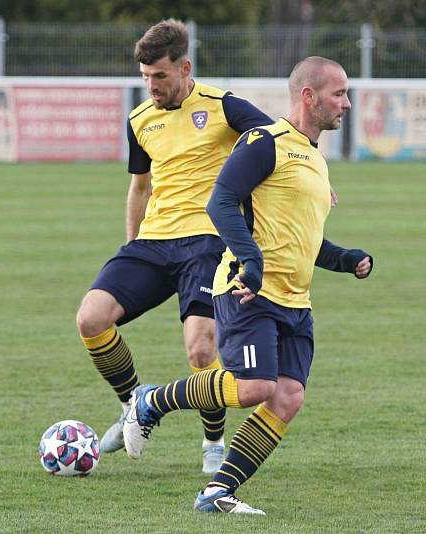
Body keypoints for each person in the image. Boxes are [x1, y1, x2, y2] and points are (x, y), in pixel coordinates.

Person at [122, 56, 373, 515]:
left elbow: (303, 238)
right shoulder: (265, 142)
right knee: (255, 386)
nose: (348, 104)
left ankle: (216, 492)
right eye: (339, 94)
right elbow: (220, 202)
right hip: (247, 291)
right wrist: (251, 261)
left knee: (288, 397)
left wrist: (346, 259)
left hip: (295, 300)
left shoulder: (314, 159)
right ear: (309, 96)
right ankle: (150, 399)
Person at [75, 19, 272, 475]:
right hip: (154, 243)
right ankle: (133, 407)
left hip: (209, 243)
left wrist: (314, 177)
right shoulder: (140, 120)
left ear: (185, 68)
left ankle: (213, 443)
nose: (151, 86)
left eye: (160, 76)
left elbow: (276, 142)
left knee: (201, 351)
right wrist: (131, 246)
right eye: (144, 78)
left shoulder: (224, 107)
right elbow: (139, 188)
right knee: (91, 317)